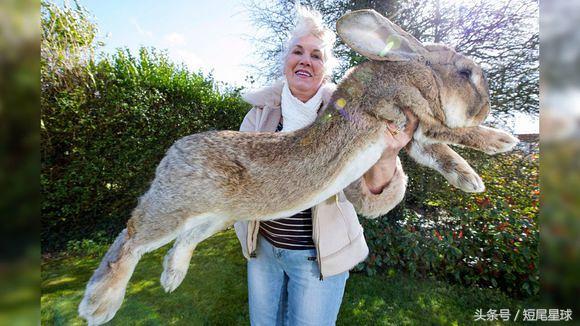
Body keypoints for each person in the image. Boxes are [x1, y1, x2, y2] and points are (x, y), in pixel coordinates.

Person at [234, 7, 418, 326]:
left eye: (316, 56)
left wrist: (388, 155)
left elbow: (372, 195)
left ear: (324, 70)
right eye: (298, 51)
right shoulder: (259, 116)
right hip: (263, 253)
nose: (306, 60)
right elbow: (237, 178)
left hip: (318, 261)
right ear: (286, 61)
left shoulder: (351, 117)